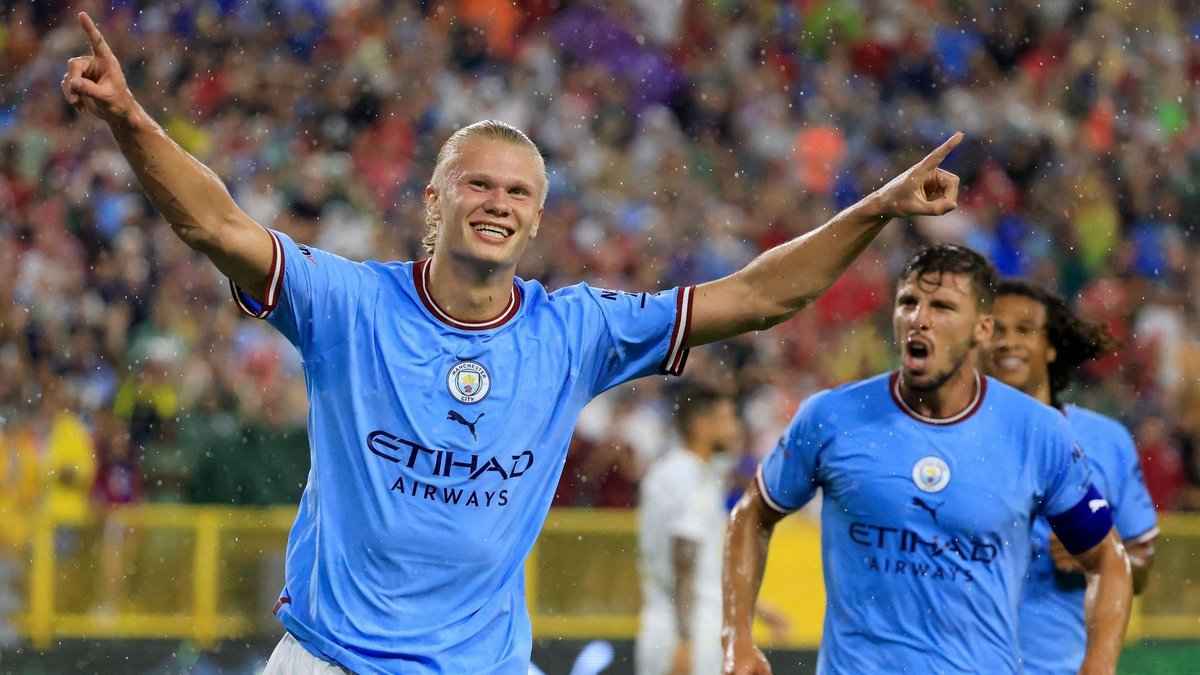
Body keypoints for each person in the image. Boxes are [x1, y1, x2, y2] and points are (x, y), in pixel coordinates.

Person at [62, 12, 963, 673]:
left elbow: (762, 296)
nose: (498, 203)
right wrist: (132, 122)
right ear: (435, 199)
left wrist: (877, 207)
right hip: (332, 659)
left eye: (519, 193)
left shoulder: (575, 331)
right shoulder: (351, 305)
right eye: (478, 184)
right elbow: (218, 226)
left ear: (536, 218)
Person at [723, 245, 1133, 674]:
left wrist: (1098, 667)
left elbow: (1109, 560)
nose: (919, 319)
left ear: (982, 329)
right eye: (908, 302)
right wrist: (737, 637)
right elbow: (752, 515)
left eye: (942, 306)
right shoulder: (832, 418)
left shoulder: (1036, 432)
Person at [984, 279, 1158, 675]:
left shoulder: (1106, 440)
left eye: (1024, 329)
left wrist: (1096, 558)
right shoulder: (949, 441)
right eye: (995, 329)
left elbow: (1141, 563)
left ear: (1050, 346)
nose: (1006, 342)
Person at [635, 384, 737, 674]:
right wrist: (684, 640)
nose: (735, 428)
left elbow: (699, 563)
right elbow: (685, 553)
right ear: (701, 426)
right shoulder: (687, 475)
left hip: (670, 625)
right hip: (688, 632)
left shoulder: (678, 472)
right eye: (727, 418)